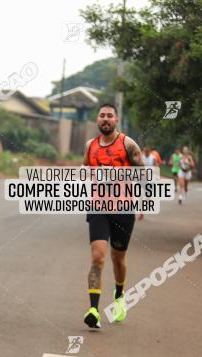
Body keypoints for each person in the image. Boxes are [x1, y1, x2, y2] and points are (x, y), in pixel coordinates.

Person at [82, 103, 144, 329]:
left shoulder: (128, 144)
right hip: (98, 207)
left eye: (109, 115)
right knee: (98, 257)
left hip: (123, 210)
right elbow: (85, 172)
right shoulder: (90, 146)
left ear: (116, 120)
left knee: (118, 259)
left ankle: (119, 295)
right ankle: (93, 309)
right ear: (97, 120)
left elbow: (143, 176)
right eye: (102, 115)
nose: (105, 119)